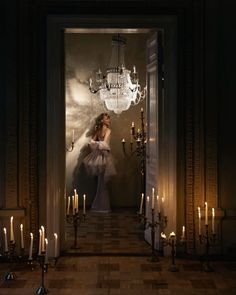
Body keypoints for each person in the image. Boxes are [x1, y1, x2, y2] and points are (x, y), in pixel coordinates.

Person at [83, 113, 116, 212]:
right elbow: (91, 143)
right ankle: (101, 206)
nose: (109, 120)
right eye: (107, 118)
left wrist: (97, 144)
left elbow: (104, 144)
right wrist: (99, 144)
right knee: (100, 182)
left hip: (104, 156)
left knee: (102, 182)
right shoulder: (98, 131)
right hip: (99, 156)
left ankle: (102, 206)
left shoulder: (108, 130)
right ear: (102, 120)